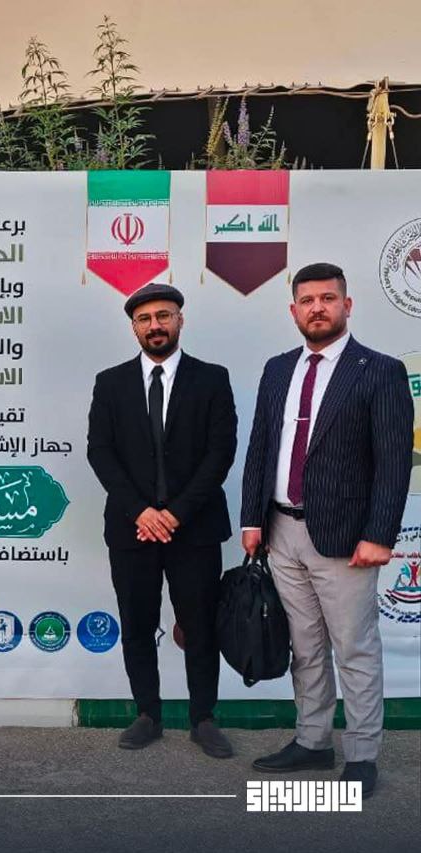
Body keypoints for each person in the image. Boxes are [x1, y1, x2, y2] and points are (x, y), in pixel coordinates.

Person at [241, 262, 411, 797]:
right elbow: (260, 447)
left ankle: (361, 754)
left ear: (347, 305)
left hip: (346, 537)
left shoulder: (379, 370)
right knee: (305, 647)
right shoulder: (277, 369)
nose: (317, 308)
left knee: (354, 649)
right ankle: (312, 741)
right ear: (293, 311)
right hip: (281, 531)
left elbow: (394, 462)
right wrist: (252, 518)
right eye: (307, 300)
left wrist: (380, 534)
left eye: (328, 298)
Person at [86, 283, 238, 758]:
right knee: (137, 624)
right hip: (132, 529)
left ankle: (203, 719)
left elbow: (220, 454)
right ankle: (147, 715)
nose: (155, 325)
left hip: (195, 528)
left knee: (200, 626)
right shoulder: (110, 383)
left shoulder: (212, 379)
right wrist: (142, 512)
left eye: (164, 316)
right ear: (134, 327)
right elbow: (100, 452)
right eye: (145, 319)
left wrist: (173, 514)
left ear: (179, 321)